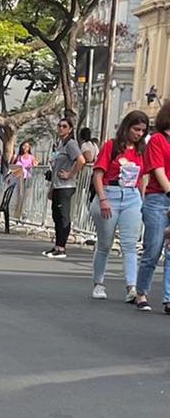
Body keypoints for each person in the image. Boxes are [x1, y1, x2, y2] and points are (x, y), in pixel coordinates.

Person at [88, 111, 148, 301]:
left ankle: (132, 286)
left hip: (131, 196)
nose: (139, 134)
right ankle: (98, 283)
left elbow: (142, 178)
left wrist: (142, 199)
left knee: (130, 244)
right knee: (105, 243)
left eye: (142, 131)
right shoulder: (111, 146)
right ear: (127, 127)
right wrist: (103, 199)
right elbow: (97, 174)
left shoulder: (141, 150)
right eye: (136, 129)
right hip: (110, 193)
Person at [135, 101, 170, 313]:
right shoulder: (157, 139)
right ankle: (141, 292)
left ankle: (168, 298)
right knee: (154, 248)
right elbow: (157, 169)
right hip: (158, 198)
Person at [45, 118, 85, 258]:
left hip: (66, 186)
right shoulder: (61, 144)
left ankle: (62, 247)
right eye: (59, 125)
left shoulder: (71, 144)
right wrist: (51, 188)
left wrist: (71, 173)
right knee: (56, 216)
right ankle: (57, 245)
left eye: (64, 126)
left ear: (70, 129)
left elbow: (81, 160)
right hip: (57, 186)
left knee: (63, 216)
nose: (61, 128)